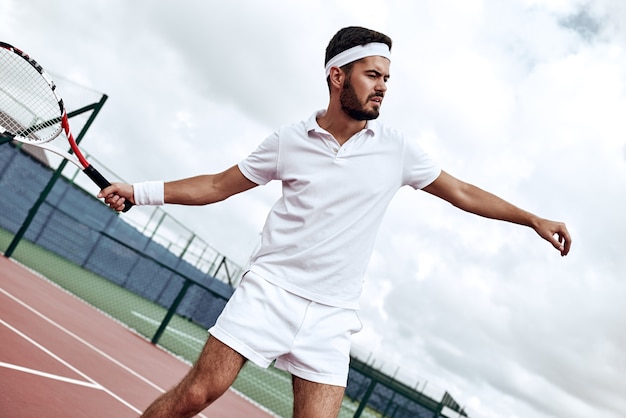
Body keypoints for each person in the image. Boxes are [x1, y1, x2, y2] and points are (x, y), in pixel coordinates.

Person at [99, 26, 571, 418]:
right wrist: (139, 193)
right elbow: (218, 186)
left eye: (387, 77)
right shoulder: (289, 140)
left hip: (332, 314)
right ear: (336, 75)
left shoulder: (397, 149)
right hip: (270, 290)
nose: (383, 85)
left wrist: (531, 218)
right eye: (372, 75)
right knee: (199, 394)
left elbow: (463, 193)